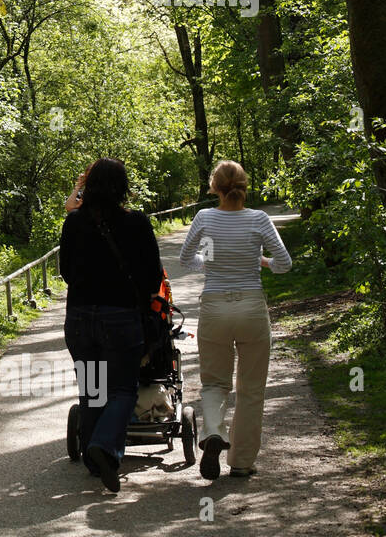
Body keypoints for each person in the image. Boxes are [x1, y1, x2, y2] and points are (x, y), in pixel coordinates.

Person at [179, 160, 291, 481]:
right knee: (251, 389)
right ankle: (241, 462)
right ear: (244, 186)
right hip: (252, 307)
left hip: (215, 307)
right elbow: (284, 263)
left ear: (215, 187)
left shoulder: (205, 217)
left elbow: (187, 260)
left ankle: (214, 432)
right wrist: (260, 261)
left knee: (214, 382)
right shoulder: (259, 219)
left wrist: (213, 265)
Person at [60, 158, 164, 493]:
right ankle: (104, 446)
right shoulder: (137, 223)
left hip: (79, 319)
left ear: (89, 187)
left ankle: (95, 462)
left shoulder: (74, 223)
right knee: (122, 389)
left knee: (92, 389)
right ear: (123, 187)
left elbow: (64, 271)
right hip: (120, 318)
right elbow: (152, 276)